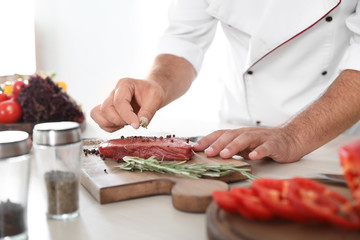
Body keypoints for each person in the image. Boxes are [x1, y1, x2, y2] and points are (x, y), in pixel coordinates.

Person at [91, 0, 360, 163]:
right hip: (234, 135)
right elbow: (185, 38)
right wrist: (158, 83)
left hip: (332, 138)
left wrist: (294, 136)